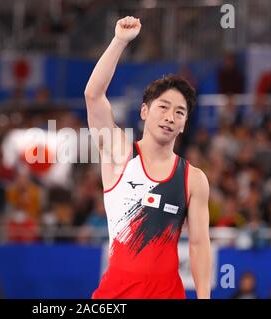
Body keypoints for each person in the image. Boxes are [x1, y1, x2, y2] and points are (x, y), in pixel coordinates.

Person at [84, 16, 211, 299]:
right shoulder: (120, 153)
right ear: (144, 111)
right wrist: (119, 41)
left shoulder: (194, 180)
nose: (170, 117)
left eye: (179, 112)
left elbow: (200, 244)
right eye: (163, 107)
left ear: (185, 123)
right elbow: (93, 96)